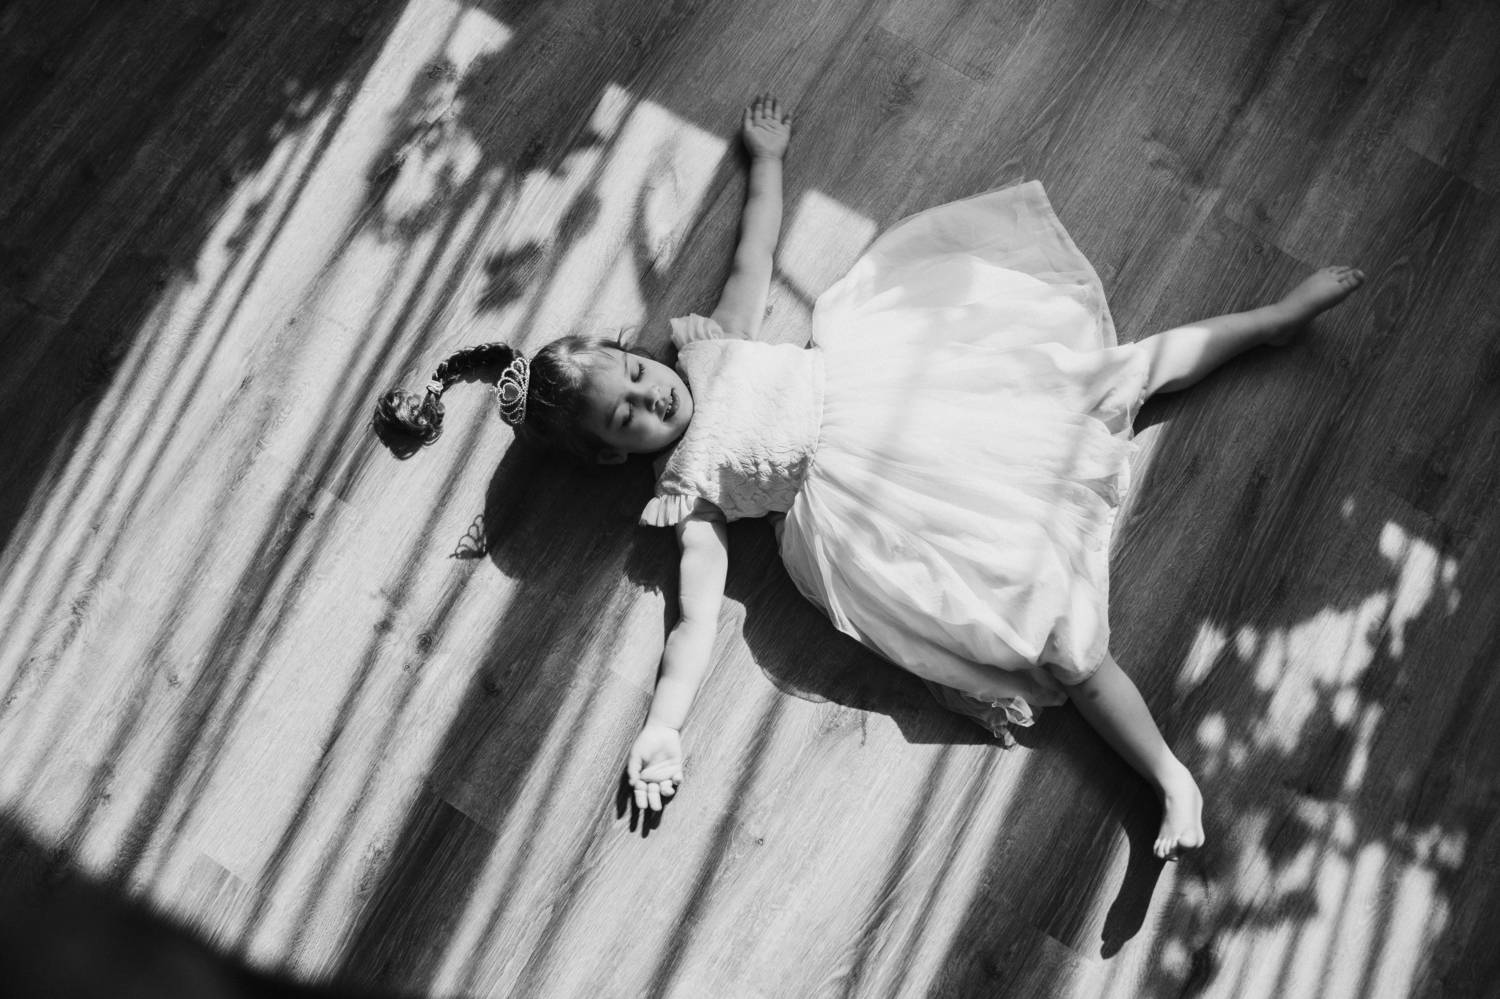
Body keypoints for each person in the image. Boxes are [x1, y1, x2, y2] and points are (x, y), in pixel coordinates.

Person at [375, 96, 1364, 860]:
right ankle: (1169, 778)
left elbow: (755, 248)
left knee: (1100, 379)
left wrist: (767, 161)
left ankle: (1271, 322)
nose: (648, 397)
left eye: (632, 375)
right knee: (1060, 643)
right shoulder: (689, 494)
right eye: (624, 417)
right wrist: (663, 726)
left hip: (893, 391)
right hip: (867, 512)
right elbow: (691, 622)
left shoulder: (712, 345)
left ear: (635, 351)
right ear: (609, 454)